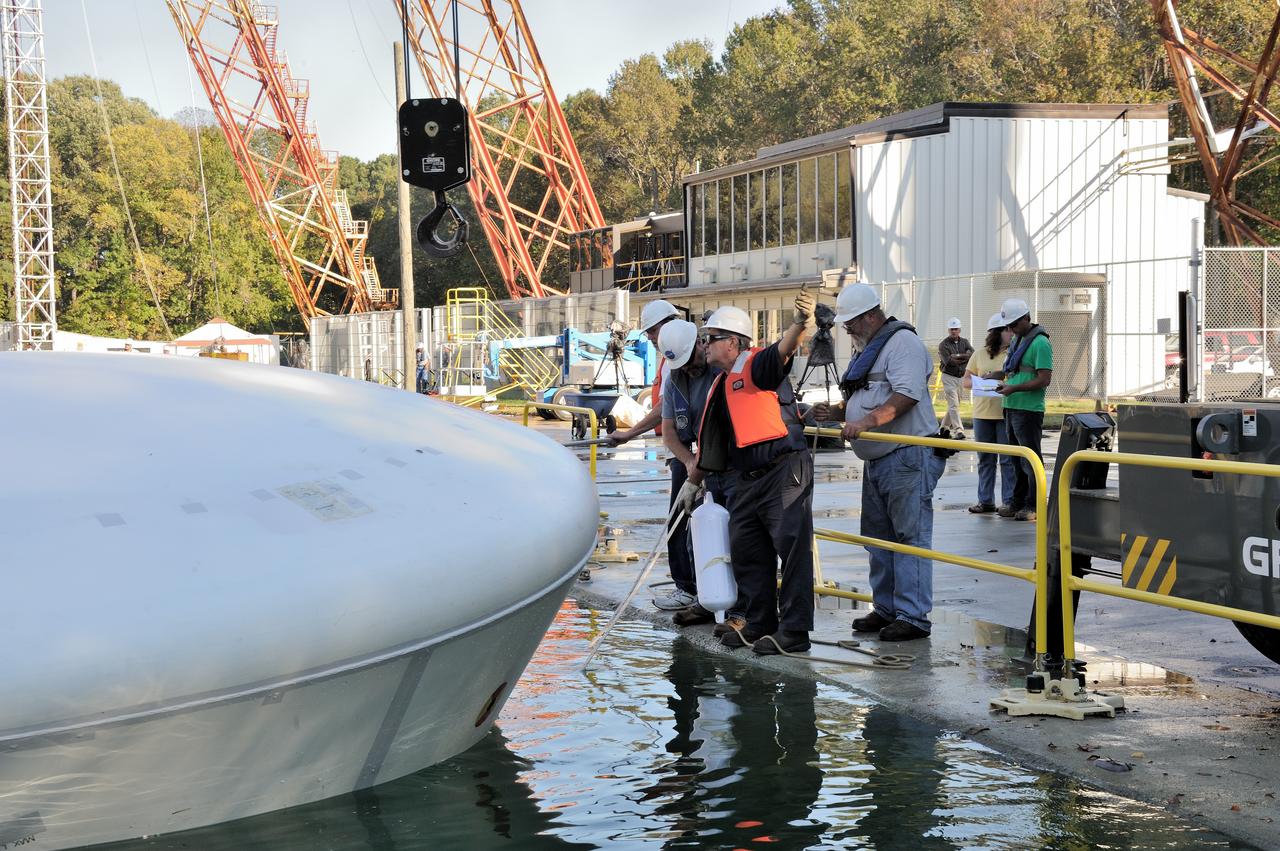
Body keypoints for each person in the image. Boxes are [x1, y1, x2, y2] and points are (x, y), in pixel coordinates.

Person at [810, 283, 944, 642]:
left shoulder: (903, 345)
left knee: (908, 536)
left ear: (871, 316)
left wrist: (865, 423)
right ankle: (886, 608)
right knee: (878, 536)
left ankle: (913, 616)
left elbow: (906, 395)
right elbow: (866, 397)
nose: (847, 329)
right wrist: (838, 412)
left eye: (851, 322)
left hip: (906, 454)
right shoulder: (868, 347)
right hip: (880, 456)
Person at [685, 290, 816, 655]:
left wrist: (799, 324)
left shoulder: (756, 364)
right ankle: (761, 622)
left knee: (792, 552)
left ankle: (794, 630)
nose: (705, 345)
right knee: (747, 552)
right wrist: (693, 483)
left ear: (733, 342)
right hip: (747, 478)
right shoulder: (723, 382)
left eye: (710, 339)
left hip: (782, 471)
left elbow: (783, 350)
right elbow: (716, 444)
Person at [654, 318, 743, 633]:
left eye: (692, 362)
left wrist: (701, 465)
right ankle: (706, 599)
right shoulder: (674, 378)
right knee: (697, 532)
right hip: (698, 462)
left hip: (730, 462)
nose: (690, 370)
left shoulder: (722, 372)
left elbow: (727, 431)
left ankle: (740, 607)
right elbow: (669, 433)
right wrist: (691, 463)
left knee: (737, 534)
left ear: (701, 345)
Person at [608, 299, 691, 609]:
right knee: (687, 522)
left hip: (690, 454)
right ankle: (698, 588)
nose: (651, 339)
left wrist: (630, 433)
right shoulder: (671, 359)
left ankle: (689, 588)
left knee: (680, 522)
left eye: (652, 333)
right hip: (684, 452)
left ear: (666, 326)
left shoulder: (675, 359)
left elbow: (663, 410)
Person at [991, 298, 1052, 522]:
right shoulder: (1019, 341)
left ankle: (1033, 504)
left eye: (1014, 325)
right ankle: (1018, 501)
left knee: (1030, 459)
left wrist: (1014, 388)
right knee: (1017, 459)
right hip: (1012, 405)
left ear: (1027, 318)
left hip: (1028, 409)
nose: (1011, 329)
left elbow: (1044, 379)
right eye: (1009, 326)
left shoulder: (1040, 343)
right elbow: (1015, 370)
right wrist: (995, 377)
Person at [964, 312, 1015, 514]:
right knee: (985, 460)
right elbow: (966, 381)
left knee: (1007, 460)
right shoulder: (980, 354)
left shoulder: (1014, 352)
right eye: (1006, 330)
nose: (1011, 333)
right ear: (996, 332)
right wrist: (982, 381)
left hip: (1004, 413)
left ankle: (1009, 501)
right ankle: (985, 501)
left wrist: (1004, 383)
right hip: (982, 414)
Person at [937, 317, 972, 437]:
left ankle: (944, 427)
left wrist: (957, 356)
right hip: (948, 377)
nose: (953, 331)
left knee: (955, 404)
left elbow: (972, 354)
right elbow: (949, 361)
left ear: (959, 330)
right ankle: (959, 430)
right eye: (951, 329)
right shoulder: (943, 345)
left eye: (956, 329)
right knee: (954, 404)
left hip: (961, 377)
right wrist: (964, 357)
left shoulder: (965, 342)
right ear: (948, 330)